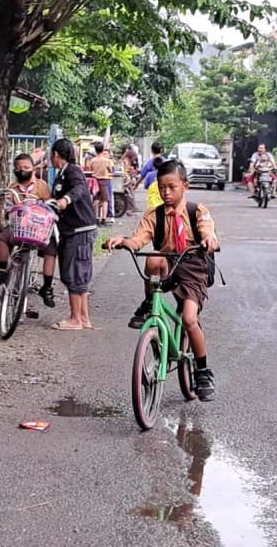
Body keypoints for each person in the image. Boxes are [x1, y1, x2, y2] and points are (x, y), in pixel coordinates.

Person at [107, 159, 220, 401]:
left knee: (190, 319)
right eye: (161, 187)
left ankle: (203, 371)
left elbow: (208, 230)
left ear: (185, 186)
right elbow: (139, 239)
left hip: (193, 266)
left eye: (172, 187)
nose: (166, 193)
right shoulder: (154, 215)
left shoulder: (196, 211)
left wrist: (209, 240)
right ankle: (150, 302)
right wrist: (124, 241)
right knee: (153, 258)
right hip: (168, 262)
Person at [0, 154, 56, 316]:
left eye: (26, 168)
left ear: (33, 169)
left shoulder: (42, 186)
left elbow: (50, 206)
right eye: (19, 168)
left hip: (38, 228)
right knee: (2, 239)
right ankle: (1, 272)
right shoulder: (12, 188)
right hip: (19, 226)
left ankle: (47, 287)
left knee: (51, 249)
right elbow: (7, 208)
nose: (22, 171)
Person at [48, 138, 99, 330]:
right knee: (79, 273)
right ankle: (83, 318)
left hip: (81, 231)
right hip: (71, 230)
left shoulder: (72, 171)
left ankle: (75, 318)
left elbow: (79, 189)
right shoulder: (61, 175)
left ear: (56, 155)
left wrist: (66, 200)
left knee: (75, 273)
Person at [89, 142, 115, 225]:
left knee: (96, 200)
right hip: (104, 181)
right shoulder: (107, 161)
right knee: (105, 200)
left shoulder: (92, 160)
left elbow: (91, 169)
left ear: (95, 150)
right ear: (103, 150)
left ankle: (96, 219)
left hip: (95, 181)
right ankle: (103, 219)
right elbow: (111, 170)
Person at [140, 141, 165, 211]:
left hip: (152, 200)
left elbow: (142, 175)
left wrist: (135, 185)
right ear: (161, 150)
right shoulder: (166, 162)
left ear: (151, 150)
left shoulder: (149, 163)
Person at [122, 144, 141, 213]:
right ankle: (131, 207)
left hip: (127, 177)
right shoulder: (126, 161)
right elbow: (127, 170)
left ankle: (131, 207)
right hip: (127, 178)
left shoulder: (126, 159)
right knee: (130, 193)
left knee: (130, 193)